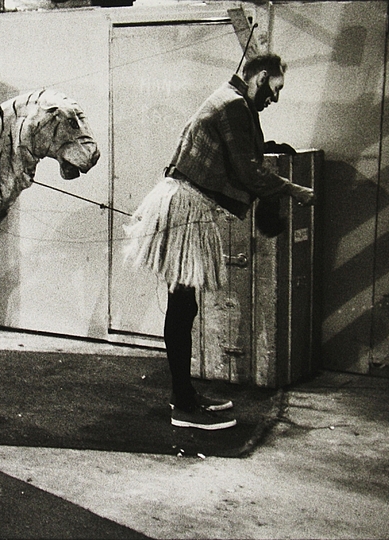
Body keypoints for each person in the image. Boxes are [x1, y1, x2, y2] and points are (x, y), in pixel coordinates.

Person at [124, 53, 315, 431]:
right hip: (185, 206)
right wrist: (294, 190)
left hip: (183, 202)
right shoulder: (234, 106)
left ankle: (186, 396)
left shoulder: (231, 100)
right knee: (182, 309)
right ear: (260, 77)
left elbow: (240, 157)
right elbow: (247, 171)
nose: (274, 99)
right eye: (275, 89)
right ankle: (182, 406)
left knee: (184, 308)